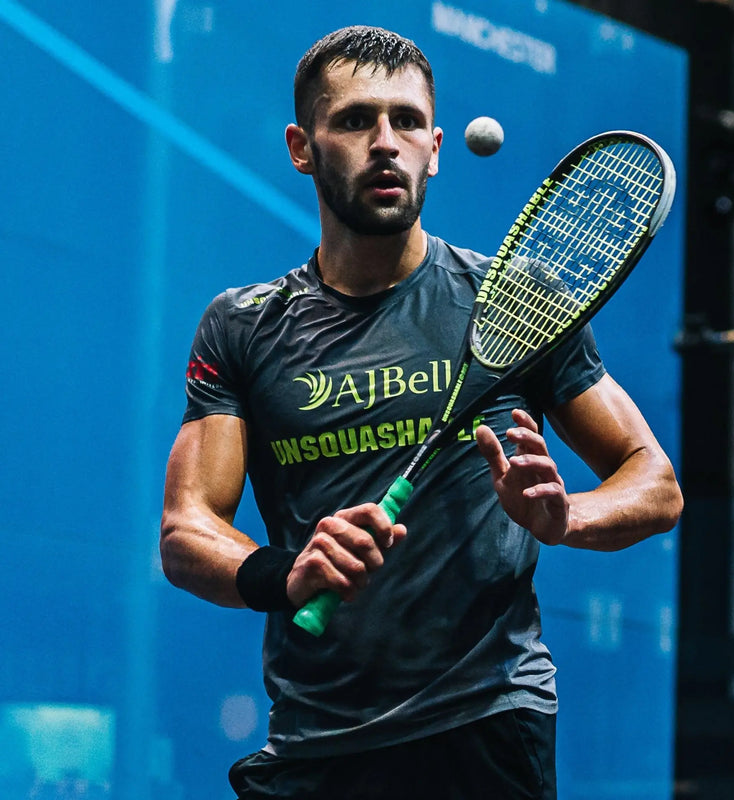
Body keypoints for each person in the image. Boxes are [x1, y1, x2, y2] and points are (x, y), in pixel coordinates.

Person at [160, 25, 683, 800]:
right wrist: (285, 573)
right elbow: (186, 529)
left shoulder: (514, 299)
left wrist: (563, 516)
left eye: (406, 122)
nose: (385, 143)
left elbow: (656, 483)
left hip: (485, 725)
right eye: (354, 120)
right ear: (302, 147)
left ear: (436, 147)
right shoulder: (242, 325)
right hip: (317, 739)